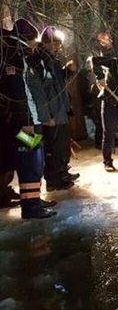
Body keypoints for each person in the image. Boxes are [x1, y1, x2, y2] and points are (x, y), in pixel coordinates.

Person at [0, 18, 57, 218]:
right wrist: (26, 123)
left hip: (28, 121)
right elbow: (18, 94)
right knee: (31, 161)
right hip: (21, 125)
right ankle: (31, 207)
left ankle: (33, 200)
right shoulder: (13, 58)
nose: (36, 44)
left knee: (36, 159)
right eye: (34, 40)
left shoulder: (20, 56)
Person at [26, 26, 78, 191]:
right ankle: (54, 180)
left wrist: (67, 72)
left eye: (59, 43)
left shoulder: (52, 60)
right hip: (50, 115)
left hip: (60, 111)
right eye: (55, 43)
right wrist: (46, 116)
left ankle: (62, 172)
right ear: (46, 43)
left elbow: (57, 82)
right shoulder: (38, 62)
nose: (58, 47)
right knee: (52, 148)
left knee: (62, 146)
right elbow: (39, 92)